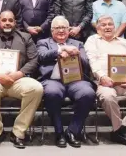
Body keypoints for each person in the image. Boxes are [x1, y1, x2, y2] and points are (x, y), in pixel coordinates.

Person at [0, 10, 43, 149]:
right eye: (4, 20)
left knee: (36, 88)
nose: (7, 23)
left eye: (10, 20)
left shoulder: (26, 37)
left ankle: (18, 132)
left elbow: (33, 61)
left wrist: (18, 74)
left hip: (18, 79)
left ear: (15, 22)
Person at [84, 15, 126, 147]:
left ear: (114, 27)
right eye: (103, 25)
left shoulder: (123, 42)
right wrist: (102, 77)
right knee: (108, 97)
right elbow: (92, 61)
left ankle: (123, 129)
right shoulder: (92, 41)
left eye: (110, 24)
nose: (107, 27)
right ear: (97, 28)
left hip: (125, 81)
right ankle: (119, 129)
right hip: (104, 83)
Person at [37, 16, 95, 148]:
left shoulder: (78, 44)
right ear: (52, 31)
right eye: (57, 27)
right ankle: (59, 133)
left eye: (64, 27)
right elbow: (41, 56)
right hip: (53, 80)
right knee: (52, 93)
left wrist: (77, 54)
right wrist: (60, 50)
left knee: (88, 93)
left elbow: (87, 64)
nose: (61, 30)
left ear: (69, 30)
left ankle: (72, 131)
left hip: (75, 80)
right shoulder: (43, 42)